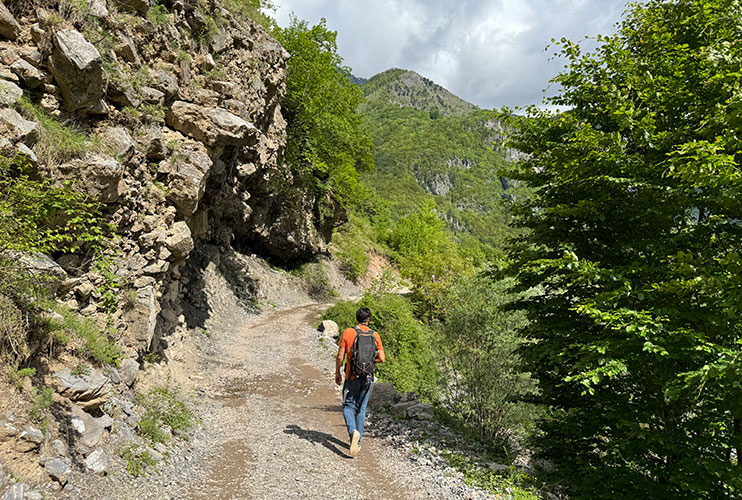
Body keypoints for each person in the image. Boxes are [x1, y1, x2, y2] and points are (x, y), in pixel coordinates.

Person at [335, 307, 385, 457]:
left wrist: (337, 372)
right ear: (368, 319)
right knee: (361, 409)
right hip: (368, 378)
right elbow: (382, 358)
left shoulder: (348, 333)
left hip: (351, 377)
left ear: (357, 318)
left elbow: (340, 356)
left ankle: (353, 432)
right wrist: (370, 361)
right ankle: (357, 441)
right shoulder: (374, 335)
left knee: (348, 405)